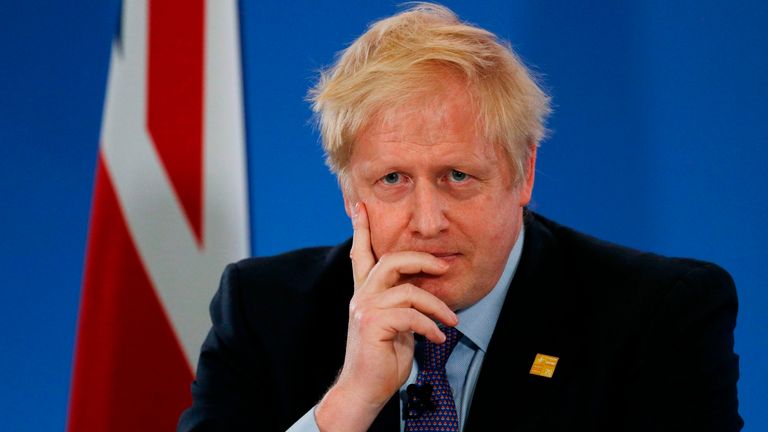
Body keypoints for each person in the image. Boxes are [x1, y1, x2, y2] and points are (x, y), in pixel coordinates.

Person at [178, 3, 742, 431]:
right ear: (352, 193)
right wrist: (348, 403)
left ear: (523, 174)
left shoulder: (658, 314)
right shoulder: (264, 309)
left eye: (458, 176)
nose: (428, 222)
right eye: (393, 180)